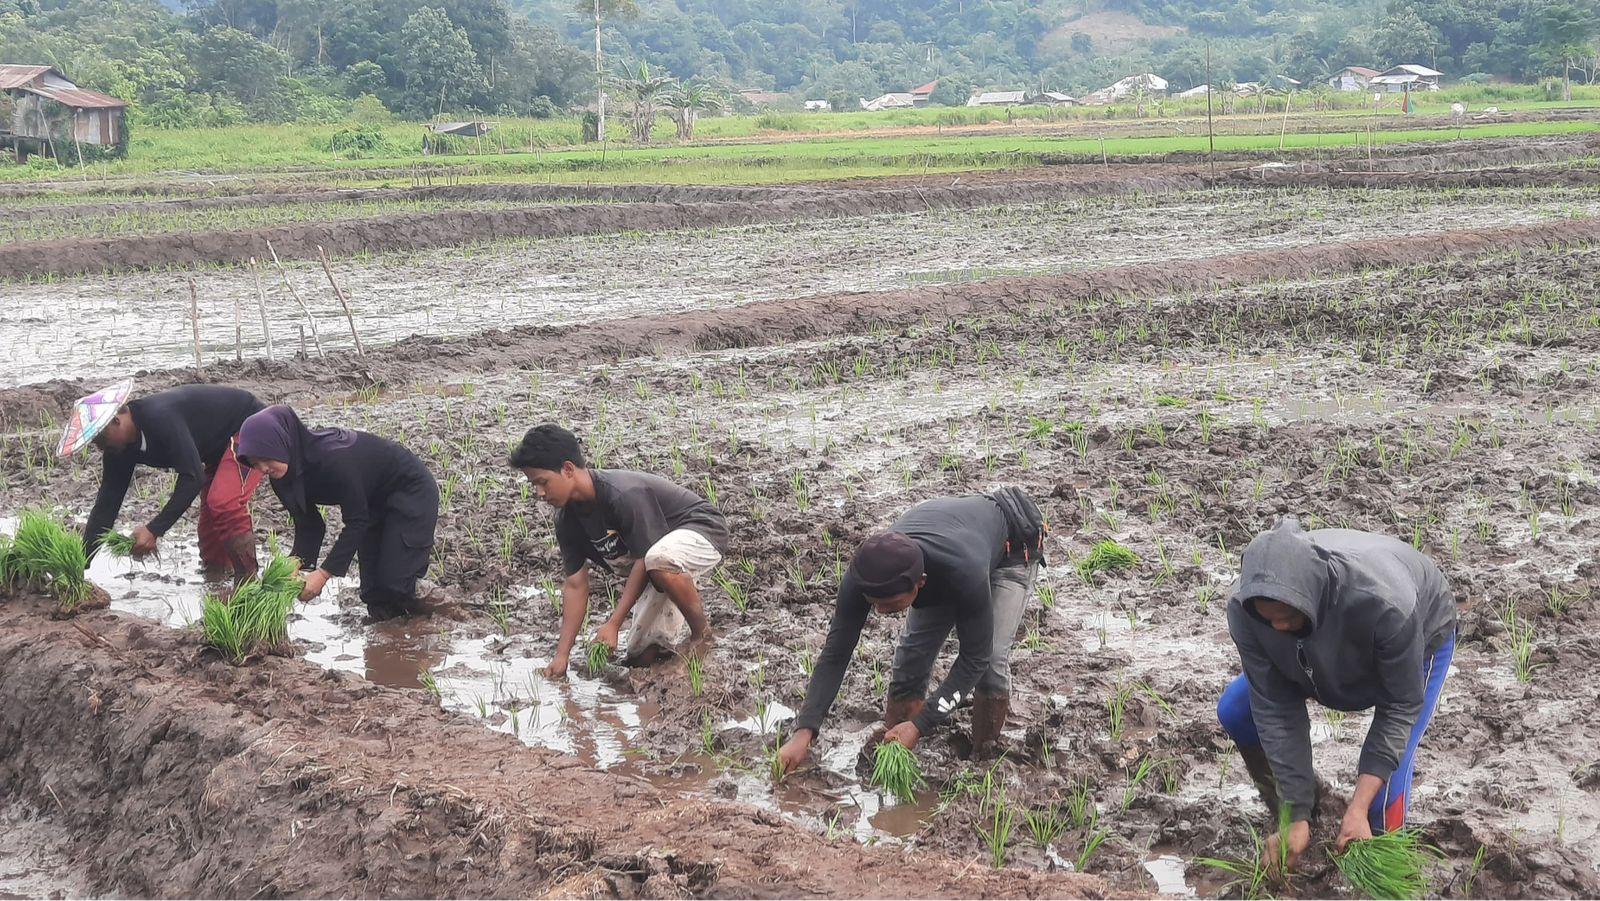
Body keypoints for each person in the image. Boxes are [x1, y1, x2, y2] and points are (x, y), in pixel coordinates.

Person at [1218, 518, 1457, 872]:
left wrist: (1358, 808)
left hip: (1418, 637)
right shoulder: (1245, 609)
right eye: (1269, 621)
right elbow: (1273, 706)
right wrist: (1294, 812)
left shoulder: (1387, 606)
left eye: (1286, 617)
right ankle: (1300, 817)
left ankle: (1382, 869)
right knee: (1237, 710)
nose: (1278, 628)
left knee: (1379, 799)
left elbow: (1398, 706)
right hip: (1316, 650)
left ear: (1312, 594)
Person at [777, 488, 1046, 775]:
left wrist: (921, 724)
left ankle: (983, 758)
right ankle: (895, 753)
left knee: (991, 659)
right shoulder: (864, 575)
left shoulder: (962, 573)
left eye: (891, 604)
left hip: (1014, 547)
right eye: (874, 603)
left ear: (921, 583)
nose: (880, 611)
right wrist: (805, 730)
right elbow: (835, 653)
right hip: (954, 537)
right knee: (911, 657)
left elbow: (974, 658)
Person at [509, 424, 728, 678]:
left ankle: (703, 637)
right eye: (533, 484)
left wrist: (613, 624)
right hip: (657, 560)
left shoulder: (622, 494)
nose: (539, 493)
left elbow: (645, 558)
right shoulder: (566, 519)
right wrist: (562, 657)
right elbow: (576, 585)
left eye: (542, 482)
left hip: (701, 531)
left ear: (568, 469)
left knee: (659, 559)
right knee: (641, 658)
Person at [235, 405, 440, 620]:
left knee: (397, 583)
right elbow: (309, 525)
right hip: (372, 502)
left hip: (409, 491)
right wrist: (294, 567)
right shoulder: (282, 480)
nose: (264, 468)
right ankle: (394, 642)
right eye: (255, 464)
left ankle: (447, 610)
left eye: (267, 457)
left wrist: (323, 574)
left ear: (282, 443)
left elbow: (357, 522)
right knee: (373, 594)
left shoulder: (332, 459)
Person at [64, 382, 265, 576]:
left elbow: (193, 477)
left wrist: (154, 529)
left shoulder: (159, 417)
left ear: (117, 420)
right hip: (215, 448)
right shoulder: (118, 450)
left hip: (249, 427)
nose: (99, 447)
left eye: (100, 438)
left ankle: (247, 581)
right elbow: (107, 504)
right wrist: (81, 562)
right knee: (210, 527)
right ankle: (216, 578)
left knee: (223, 501)